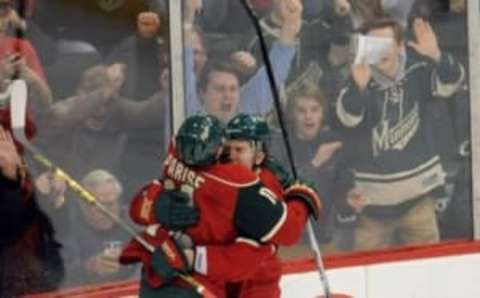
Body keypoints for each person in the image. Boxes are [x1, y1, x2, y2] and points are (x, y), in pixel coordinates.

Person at [122, 115, 321, 298]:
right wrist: (156, 206)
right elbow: (138, 208)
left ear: (259, 156)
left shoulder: (256, 190)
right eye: (227, 149)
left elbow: (253, 253)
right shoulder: (216, 174)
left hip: (254, 285)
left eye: (239, 150)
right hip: (203, 280)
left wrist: (192, 258)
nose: (230, 156)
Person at [334, 17, 465, 251]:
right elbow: (348, 119)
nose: (381, 50)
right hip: (371, 209)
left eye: (386, 43)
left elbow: (452, 82)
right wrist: (359, 87)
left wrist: (437, 56)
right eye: (374, 44)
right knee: (369, 279)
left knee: (426, 272)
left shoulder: (419, 69)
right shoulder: (357, 79)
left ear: (400, 46)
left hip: (418, 203)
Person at [184, 0, 300, 123]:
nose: (228, 96)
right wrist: (187, 17)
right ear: (202, 94)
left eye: (233, 89)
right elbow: (183, 70)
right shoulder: (191, 114)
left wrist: (291, 23)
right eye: (219, 89)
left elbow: (275, 71)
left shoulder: (245, 108)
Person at [0, 81, 64, 296]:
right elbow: (7, 231)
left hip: (39, 281)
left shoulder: (23, 150)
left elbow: (36, 222)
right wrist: (11, 181)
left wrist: (48, 198)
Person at [62, 169, 136, 286]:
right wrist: (89, 268)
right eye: (99, 206)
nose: (106, 211)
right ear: (82, 204)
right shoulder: (66, 226)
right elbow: (60, 276)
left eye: (111, 204)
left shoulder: (135, 221)